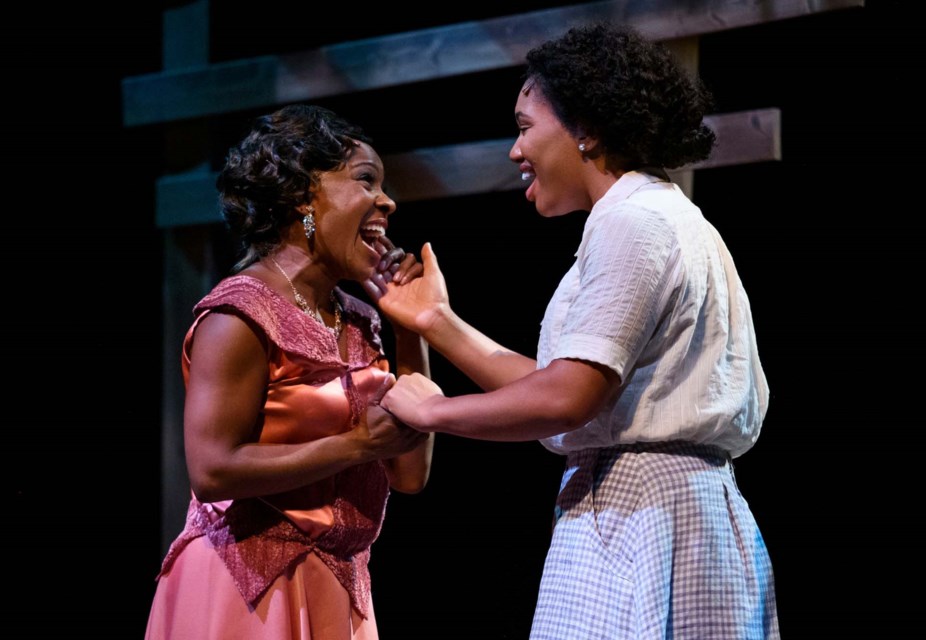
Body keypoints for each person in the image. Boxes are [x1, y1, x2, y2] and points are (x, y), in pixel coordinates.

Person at [378, 23, 779, 639]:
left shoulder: (633, 224)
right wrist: (437, 321)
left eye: (524, 126)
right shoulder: (650, 216)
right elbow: (557, 383)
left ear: (586, 130)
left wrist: (434, 413)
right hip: (660, 505)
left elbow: (565, 399)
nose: (515, 150)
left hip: (643, 515)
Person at [144, 104, 434, 640]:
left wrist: (412, 328)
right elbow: (211, 470)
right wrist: (356, 447)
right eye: (365, 180)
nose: (387, 201)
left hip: (339, 584)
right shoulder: (239, 313)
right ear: (303, 195)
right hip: (244, 587)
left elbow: (410, 476)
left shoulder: (362, 320)